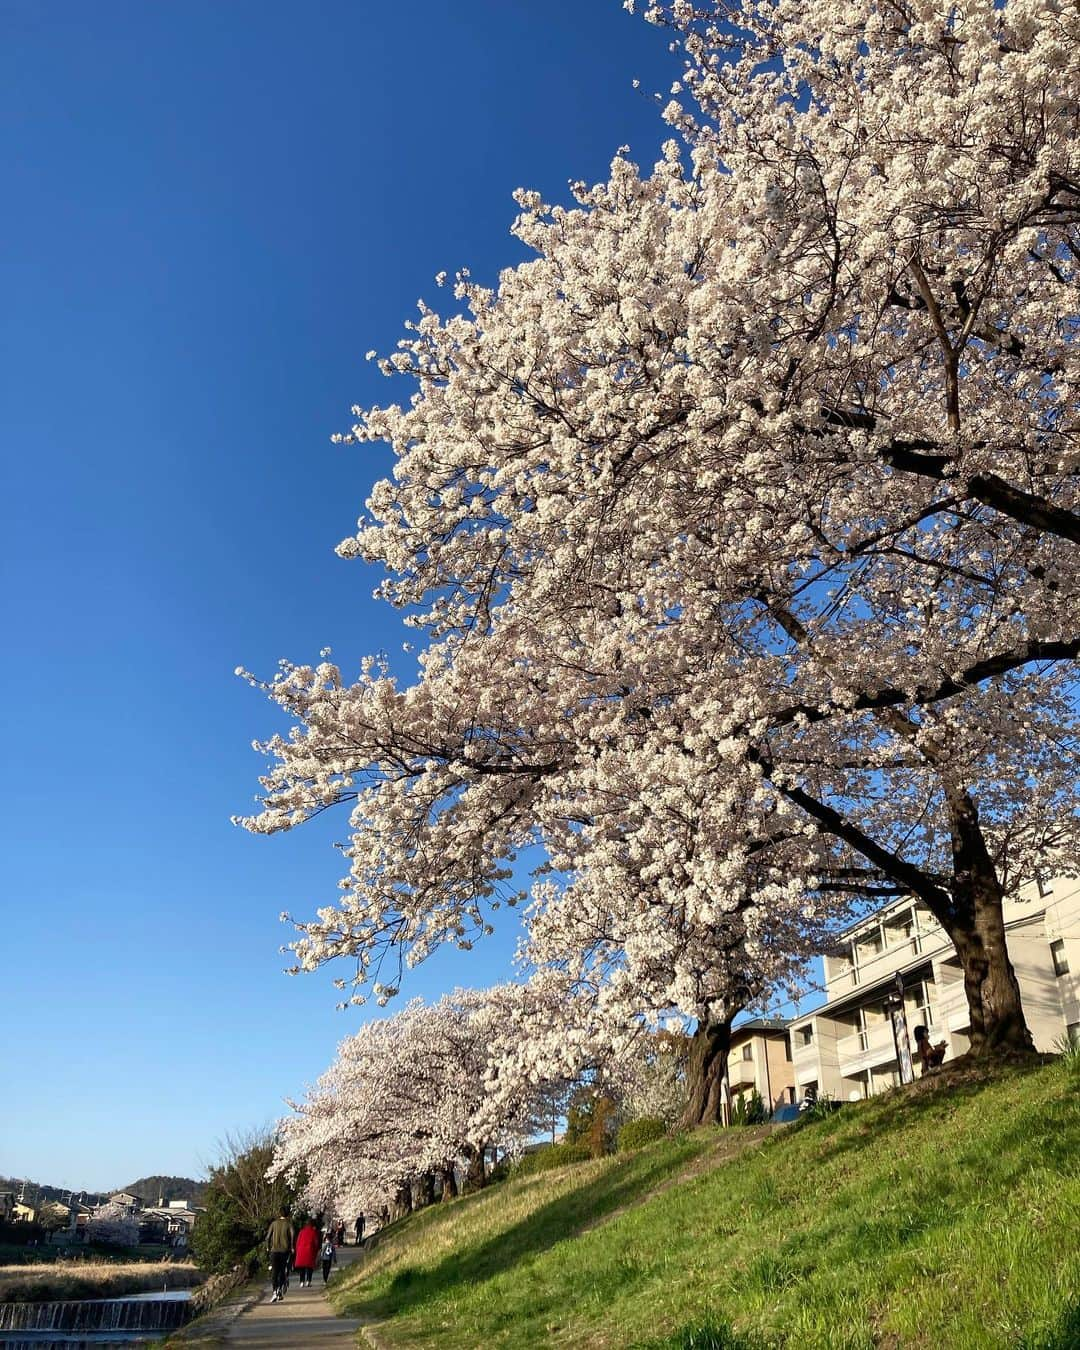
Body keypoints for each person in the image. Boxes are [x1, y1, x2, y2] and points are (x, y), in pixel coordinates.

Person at [265, 1207, 293, 1304]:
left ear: (279, 1213)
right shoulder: (288, 1224)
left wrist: (268, 1247)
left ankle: (274, 1291)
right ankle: (279, 1290)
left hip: (274, 1251)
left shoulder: (274, 1224)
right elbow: (293, 1235)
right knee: (282, 1271)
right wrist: (292, 1247)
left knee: (274, 1271)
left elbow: (268, 1237)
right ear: (288, 1214)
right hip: (284, 1251)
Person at [294, 1217, 320, 1288]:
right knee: (309, 1267)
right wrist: (316, 1251)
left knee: (302, 1268)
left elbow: (297, 1242)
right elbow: (316, 1243)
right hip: (309, 1251)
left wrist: (297, 1251)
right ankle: (308, 1281)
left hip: (301, 1251)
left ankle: (301, 1282)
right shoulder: (313, 1232)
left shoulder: (301, 1231)